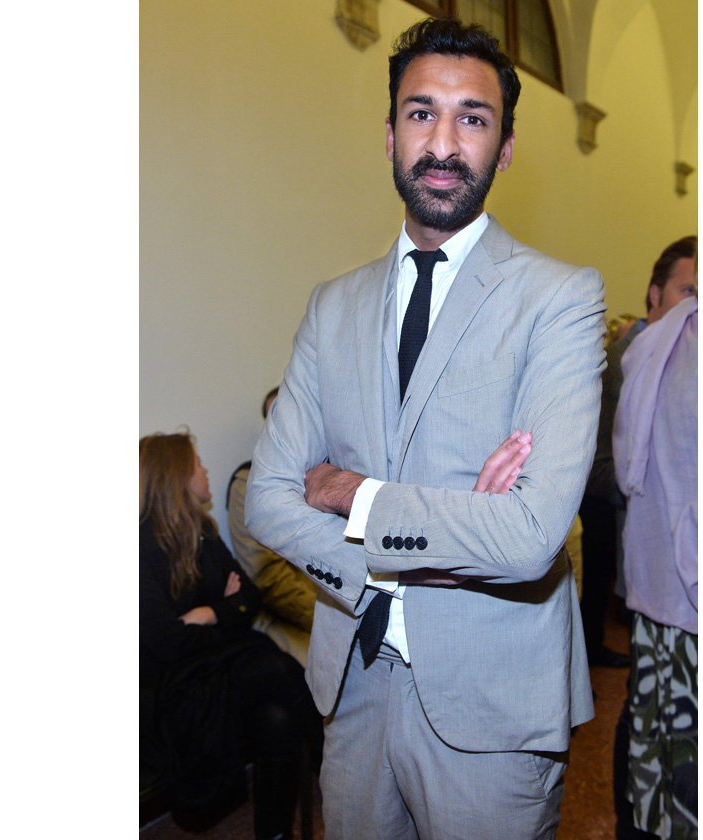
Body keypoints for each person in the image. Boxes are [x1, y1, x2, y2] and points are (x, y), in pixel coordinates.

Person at [245, 18, 605, 840]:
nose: (443, 144)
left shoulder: (559, 299)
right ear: (389, 134)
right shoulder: (332, 306)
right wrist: (432, 550)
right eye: (421, 113)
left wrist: (351, 493)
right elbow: (267, 500)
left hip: (491, 707)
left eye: (472, 118)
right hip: (355, 690)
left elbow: (529, 538)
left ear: (505, 147)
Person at [140, 430, 318, 840]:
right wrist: (225, 614)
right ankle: (336, 768)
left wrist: (206, 615)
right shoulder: (139, 550)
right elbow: (167, 645)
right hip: (175, 692)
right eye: (197, 464)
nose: (205, 471)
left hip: (215, 673)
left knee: (277, 719)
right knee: (272, 665)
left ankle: (274, 834)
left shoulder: (204, 533)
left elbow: (249, 599)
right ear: (177, 476)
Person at [580, 236, 697, 668]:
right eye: (688, 291)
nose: (697, 305)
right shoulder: (622, 360)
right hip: (618, 521)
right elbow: (596, 462)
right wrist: (653, 482)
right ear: (655, 294)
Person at [610, 293, 698, 840]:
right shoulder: (666, 348)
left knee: (666, 771)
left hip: (666, 591)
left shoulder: (667, 347)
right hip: (671, 598)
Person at [228, 387, 318, 666]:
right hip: (294, 619)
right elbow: (269, 577)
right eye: (275, 418)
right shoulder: (248, 485)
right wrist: (329, 619)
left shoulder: (336, 474)